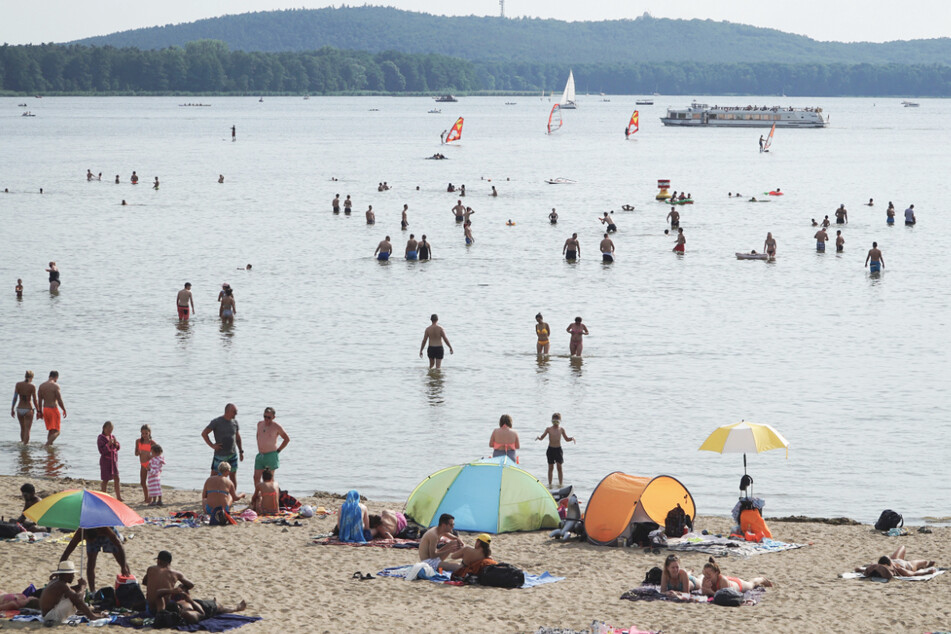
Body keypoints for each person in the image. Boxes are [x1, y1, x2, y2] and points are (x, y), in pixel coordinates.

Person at [60, 527, 130, 594]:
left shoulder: (106, 529)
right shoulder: (81, 532)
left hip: (106, 536)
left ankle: (129, 582)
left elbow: (120, 546)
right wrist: (60, 569)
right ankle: (93, 591)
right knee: (91, 562)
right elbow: (68, 550)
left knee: (120, 559)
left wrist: (123, 567)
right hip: (91, 534)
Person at [40, 561, 104, 626]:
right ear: (66, 574)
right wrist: (82, 587)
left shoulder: (57, 581)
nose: (73, 576)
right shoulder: (61, 585)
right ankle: (92, 616)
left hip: (47, 614)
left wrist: (79, 586)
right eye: (72, 574)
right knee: (76, 598)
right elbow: (77, 598)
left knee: (75, 595)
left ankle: (90, 614)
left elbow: (69, 590)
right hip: (51, 616)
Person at [201, 403, 243, 485]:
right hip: (220, 454)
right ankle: (209, 494)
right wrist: (212, 445)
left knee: (233, 476)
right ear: (227, 411)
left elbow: (237, 438)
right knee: (214, 476)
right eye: (234, 412)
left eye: (236, 411)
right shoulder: (217, 422)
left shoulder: (235, 422)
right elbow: (204, 433)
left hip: (232, 454)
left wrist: (241, 451)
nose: (236, 414)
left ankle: (231, 495)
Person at [536, 413, 574, 488]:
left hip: (558, 449)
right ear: (552, 421)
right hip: (550, 449)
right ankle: (550, 484)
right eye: (554, 421)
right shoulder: (549, 429)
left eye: (557, 421)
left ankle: (561, 484)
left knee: (559, 467)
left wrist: (572, 439)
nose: (555, 423)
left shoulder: (561, 429)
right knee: (550, 467)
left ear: (559, 421)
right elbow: (542, 437)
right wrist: (539, 438)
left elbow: (566, 439)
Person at [254, 406, 289, 486]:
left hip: (271, 455)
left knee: (269, 479)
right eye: (265, 416)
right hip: (260, 455)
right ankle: (258, 496)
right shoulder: (259, 424)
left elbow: (286, 439)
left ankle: (271, 496)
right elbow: (258, 436)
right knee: (256, 477)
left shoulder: (276, 426)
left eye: (269, 417)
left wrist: (278, 451)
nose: (266, 419)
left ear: (273, 417)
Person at [701, 557, 772, 596]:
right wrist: (706, 589)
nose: (706, 576)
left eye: (709, 574)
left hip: (737, 585)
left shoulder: (722, 581)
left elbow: (725, 596)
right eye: (705, 574)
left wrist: (710, 591)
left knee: (751, 584)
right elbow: (704, 592)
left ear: (716, 573)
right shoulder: (705, 579)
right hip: (729, 581)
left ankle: (762, 579)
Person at [855, 545, 937, 579]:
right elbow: (914, 574)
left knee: (902, 546)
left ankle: (926, 565)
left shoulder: (891, 565)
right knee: (924, 562)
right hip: (909, 565)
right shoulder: (900, 570)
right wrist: (927, 572)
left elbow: (860, 569)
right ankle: (926, 566)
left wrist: (860, 569)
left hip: (895, 560)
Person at [37, 370, 66, 446]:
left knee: (51, 430)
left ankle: (50, 448)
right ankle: (47, 445)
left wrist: (39, 411)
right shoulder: (55, 386)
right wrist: (64, 409)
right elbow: (59, 400)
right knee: (57, 431)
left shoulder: (41, 386)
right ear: (56, 377)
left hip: (45, 409)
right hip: (53, 409)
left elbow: (39, 400)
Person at [11, 369, 39, 444]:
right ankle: (25, 447)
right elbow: (35, 400)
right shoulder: (32, 386)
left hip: (19, 409)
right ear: (32, 377)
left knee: (22, 428)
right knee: (27, 430)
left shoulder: (18, 384)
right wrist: (38, 411)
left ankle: (22, 443)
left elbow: (15, 397)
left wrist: (12, 409)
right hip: (28, 409)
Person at [97, 421, 122, 500]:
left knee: (116, 477)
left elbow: (117, 447)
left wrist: (116, 444)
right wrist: (108, 445)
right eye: (108, 429)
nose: (110, 431)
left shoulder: (112, 436)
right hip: (105, 461)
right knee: (105, 479)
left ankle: (118, 497)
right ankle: (104, 497)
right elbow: (102, 451)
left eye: (111, 430)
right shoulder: (101, 438)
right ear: (104, 428)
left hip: (113, 461)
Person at [133, 424, 153, 502]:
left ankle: (150, 498)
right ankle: (146, 497)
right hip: (143, 464)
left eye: (146, 433)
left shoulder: (152, 443)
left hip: (150, 465)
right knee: (142, 482)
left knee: (151, 482)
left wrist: (149, 455)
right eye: (142, 433)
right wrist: (138, 452)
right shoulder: (138, 441)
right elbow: (136, 453)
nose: (144, 435)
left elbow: (158, 454)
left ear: (149, 433)